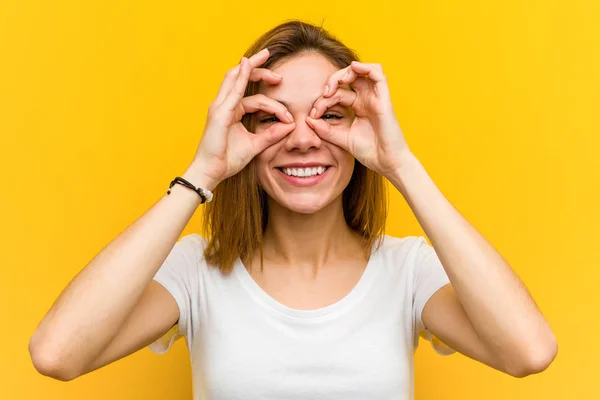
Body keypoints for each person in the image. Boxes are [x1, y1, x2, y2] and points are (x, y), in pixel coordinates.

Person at [29, 20, 557, 399]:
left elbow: (528, 352)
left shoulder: (407, 271)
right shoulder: (198, 272)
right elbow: (57, 356)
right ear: (247, 132)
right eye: (277, 117)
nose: (304, 139)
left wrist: (400, 163)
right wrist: (202, 173)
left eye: (329, 116)